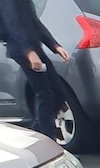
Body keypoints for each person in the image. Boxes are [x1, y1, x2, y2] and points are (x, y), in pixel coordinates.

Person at [0, 0, 70, 138]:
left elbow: (34, 22)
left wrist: (55, 45)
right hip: (22, 49)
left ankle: (38, 132)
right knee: (46, 95)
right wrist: (28, 52)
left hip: (33, 47)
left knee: (58, 93)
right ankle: (47, 142)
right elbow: (12, 22)